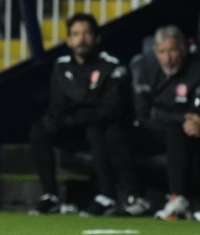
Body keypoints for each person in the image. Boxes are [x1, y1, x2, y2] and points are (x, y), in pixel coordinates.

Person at [30, 13, 148, 217]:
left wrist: (76, 114)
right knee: (40, 130)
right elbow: (58, 105)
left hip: (104, 130)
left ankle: (107, 195)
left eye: (86, 33)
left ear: (97, 38)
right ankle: (50, 196)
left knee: (97, 129)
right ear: (68, 40)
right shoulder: (61, 66)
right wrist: (64, 118)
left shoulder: (112, 65)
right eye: (75, 34)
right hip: (75, 128)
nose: (81, 39)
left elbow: (110, 109)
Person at [132, 25, 200, 220]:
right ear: (155, 53)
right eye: (162, 52)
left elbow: (197, 114)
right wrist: (180, 118)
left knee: (182, 131)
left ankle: (181, 198)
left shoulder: (199, 70)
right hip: (157, 131)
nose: (168, 57)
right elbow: (144, 112)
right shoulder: (147, 69)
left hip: (193, 132)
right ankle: (135, 198)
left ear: (183, 50)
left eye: (173, 50)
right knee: (115, 133)